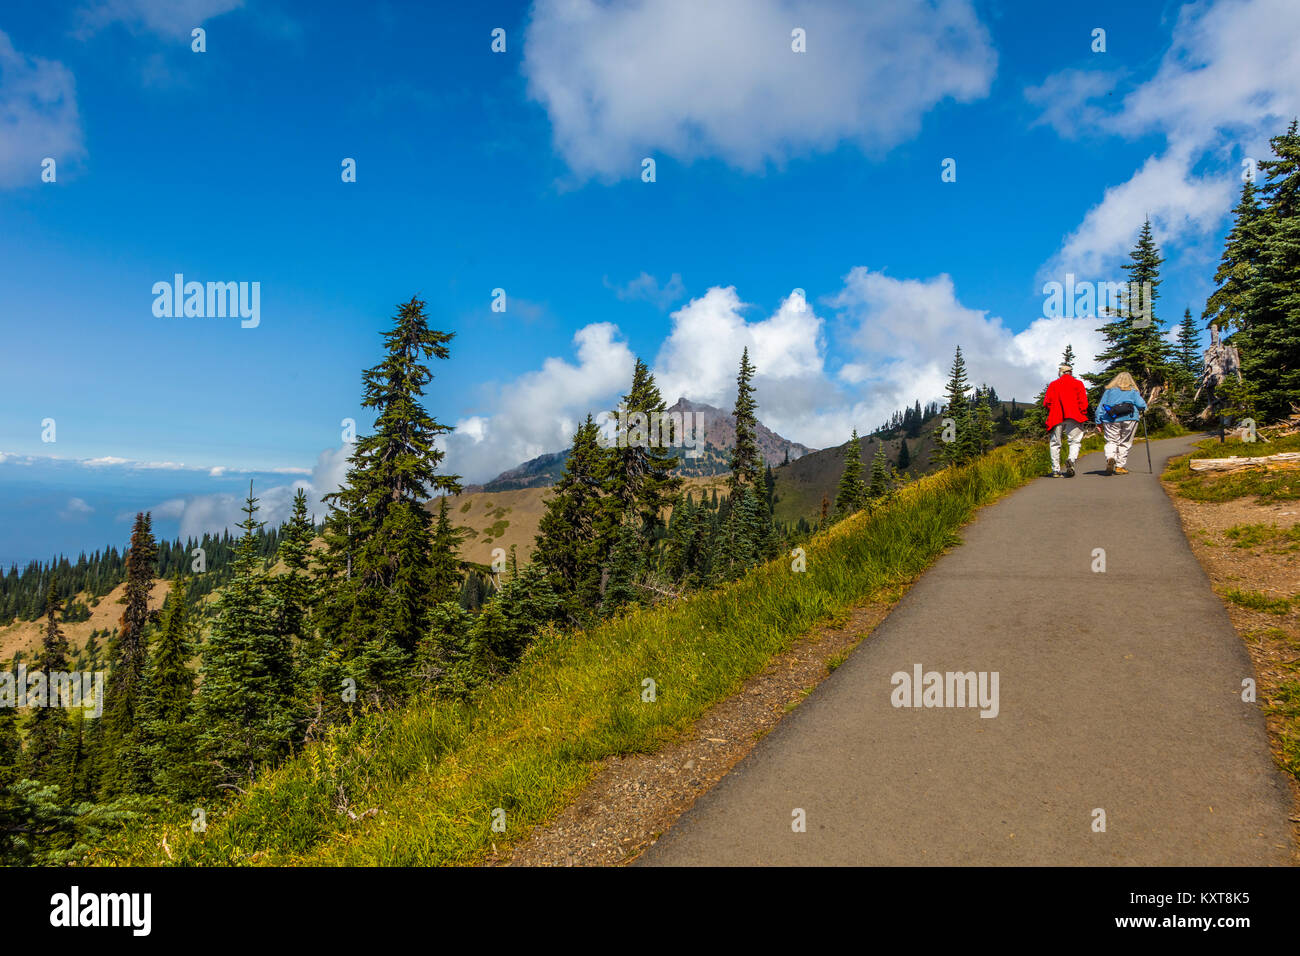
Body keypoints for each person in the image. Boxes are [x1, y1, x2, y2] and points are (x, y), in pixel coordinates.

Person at [1043, 362, 1089, 477]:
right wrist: (1082, 413)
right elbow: (1083, 402)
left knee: (1055, 443)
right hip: (1074, 416)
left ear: (1061, 373)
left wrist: (1053, 409)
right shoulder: (1078, 384)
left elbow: (1047, 402)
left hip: (1056, 416)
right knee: (1075, 441)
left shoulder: (1054, 384)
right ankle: (1071, 460)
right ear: (1071, 372)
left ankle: (1056, 470)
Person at [1097, 371, 1147, 475]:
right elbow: (1141, 405)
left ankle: (1110, 457)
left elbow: (1101, 406)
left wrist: (1098, 421)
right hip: (1130, 418)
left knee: (1111, 441)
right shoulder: (1133, 391)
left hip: (1111, 418)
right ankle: (1120, 466)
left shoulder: (1109, 391)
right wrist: (1143, 408)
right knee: (1125, 442)